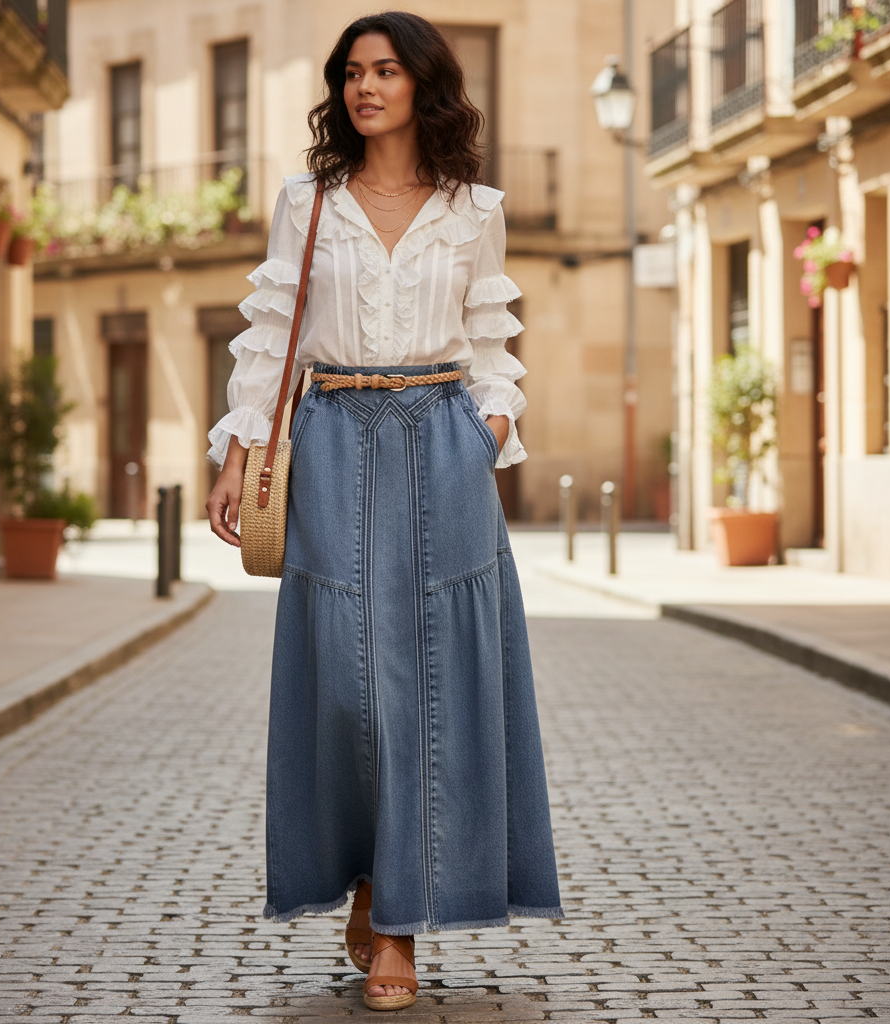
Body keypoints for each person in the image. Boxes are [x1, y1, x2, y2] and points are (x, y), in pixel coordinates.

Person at [205, 10, 562, 1012]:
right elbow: (270, 338)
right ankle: (365, 871)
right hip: (330, 443)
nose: (365, 88)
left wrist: (483, 432)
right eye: (352, 73)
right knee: (352, 685)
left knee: (429, 687)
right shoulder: (306, 201)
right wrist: (238, 455)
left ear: (422, 86)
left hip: (442, 442)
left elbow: (494, 341)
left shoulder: (470, 207)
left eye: (386, 71)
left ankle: (398, 922)